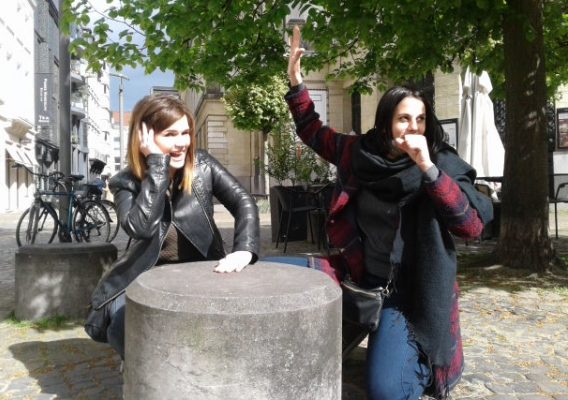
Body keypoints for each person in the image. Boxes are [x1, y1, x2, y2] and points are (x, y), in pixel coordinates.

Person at [285, 26, 493, 399]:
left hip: (407, 292)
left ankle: (419, 360)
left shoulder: (441, 162)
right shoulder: (360, 152)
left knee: (387, 390)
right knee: (273, 272)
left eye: (420, 119)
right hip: (357, 272)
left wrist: (429, 170)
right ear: (385, 123)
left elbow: (472, 226)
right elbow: (314, 132)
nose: (413, 127)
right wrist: (297, 85)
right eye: (403, 119)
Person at [86, 95, 260, 360]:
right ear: (143, 138)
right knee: (123, 323)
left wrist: (244, 249)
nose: (181, 143)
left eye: (185, 133)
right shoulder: (125, 182)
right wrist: (157, 168)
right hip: (146, 274)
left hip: (202, 269)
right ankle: (141, 369)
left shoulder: (202, 165)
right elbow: (140, 228)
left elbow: (243, 201)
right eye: (170, 134)